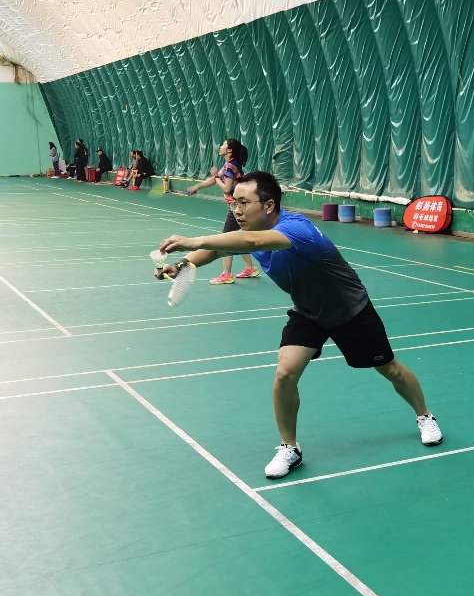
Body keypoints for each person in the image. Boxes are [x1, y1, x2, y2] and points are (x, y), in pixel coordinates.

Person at [155, 171, 443, 479]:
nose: (236, 210)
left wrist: (193, 240)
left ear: (268, 205)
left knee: (390, 369)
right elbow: (219, 249)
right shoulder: (251, 230)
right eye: (233, 203)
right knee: (285, 373)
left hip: (350, 310)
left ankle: (424, 415)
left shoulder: (295, 228)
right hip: (308, 311)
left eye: (243, 203)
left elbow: (252, 241)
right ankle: (289, 448)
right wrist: (184, 264)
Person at [185, 139, 259, 283]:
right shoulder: (229, 164)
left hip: (236, 208)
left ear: (230, 150)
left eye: (224, 145)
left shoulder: (230, 166)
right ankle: (250, 268)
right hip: (239, 207)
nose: (220, 147)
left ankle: (227, 274)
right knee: (239, 237)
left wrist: (216, 176)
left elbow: (226, 188)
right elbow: (214, 180)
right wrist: (197, 186)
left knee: (226, 241)